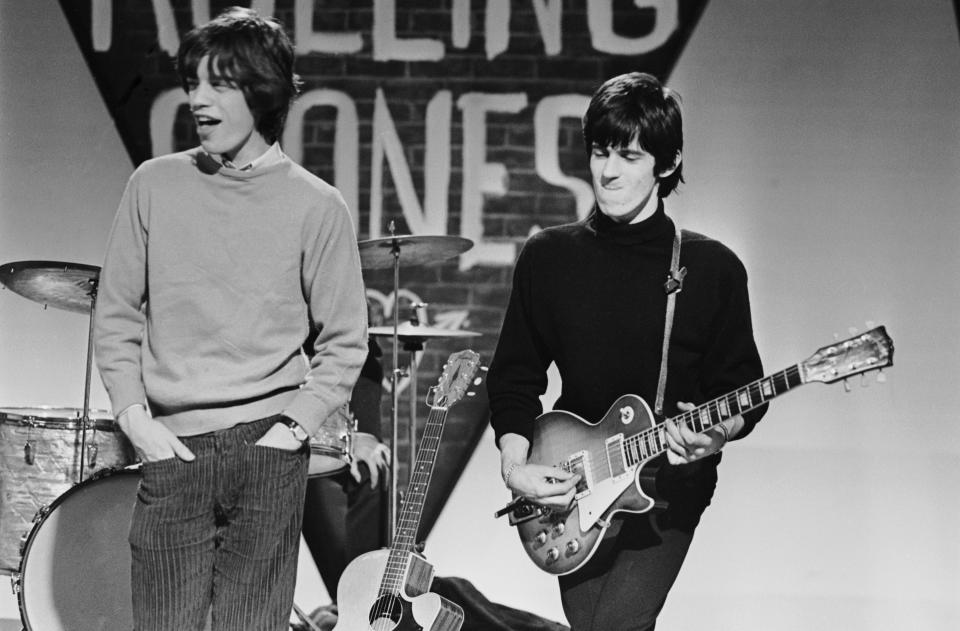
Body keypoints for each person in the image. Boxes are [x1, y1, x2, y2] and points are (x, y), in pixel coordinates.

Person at [92, 7, 368, 630]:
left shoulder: (316, 205)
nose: (199, 99)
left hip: (267, 450)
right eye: (193, 84)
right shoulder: (154, 184)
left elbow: (346, 342)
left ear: (263, 91)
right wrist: (137, 422)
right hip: (173, 449)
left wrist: (291, 431)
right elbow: (114, 316)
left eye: (220, 84)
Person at [487, 72, 767, 630]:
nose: (608, 172)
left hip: (666, 488)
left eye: (630, 156)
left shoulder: (711, 269)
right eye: (599, 152)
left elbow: (744, 390)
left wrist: (717, 433)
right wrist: (514, 466)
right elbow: (515, 376)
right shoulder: (550, 257)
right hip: (574, 489)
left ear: (667, 164)